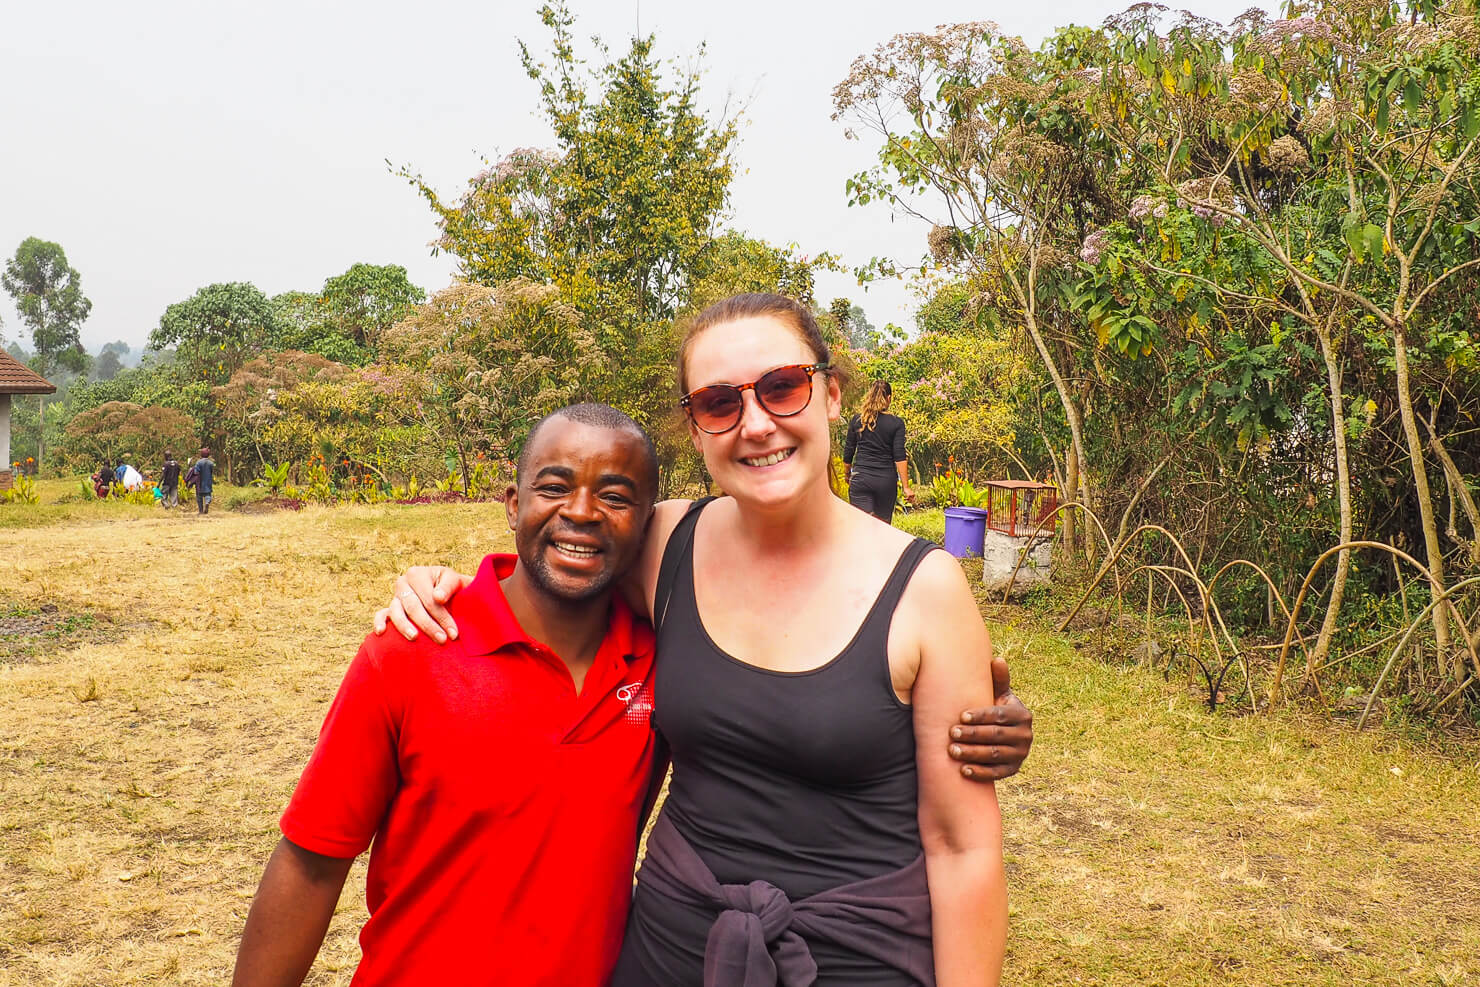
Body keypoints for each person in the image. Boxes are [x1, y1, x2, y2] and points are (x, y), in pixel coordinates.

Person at [384, 295, 1016, 985]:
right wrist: (444, 585)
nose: (755, 424)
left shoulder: (926, 588)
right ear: (695, 430)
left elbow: (963, 848)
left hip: (856, 956)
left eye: (782, 387)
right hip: (671, 944)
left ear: (831, 395)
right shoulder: (663, 545)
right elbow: (550, 559)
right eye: (720, 403)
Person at [233, 405, 667, 986]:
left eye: (615, 497)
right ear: (514, 504)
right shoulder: (410, 651)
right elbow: (311, 862)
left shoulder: (661, 662)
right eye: (554, 486)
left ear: (647, 523)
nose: (581, 512)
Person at [844, 379, 914, 522]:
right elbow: (899, 455)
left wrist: (847, 475)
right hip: (885, 481)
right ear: (888, 398)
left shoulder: (858, 420)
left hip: (861, 479)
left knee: (861, 526)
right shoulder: (896, 423)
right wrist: (906, 487)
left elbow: (849, 451)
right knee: (882, 528)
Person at [187, 447, 215, 514]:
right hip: (208, 481)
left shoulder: (198, 462)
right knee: (208, 494)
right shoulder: (211, 463)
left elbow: (196, 472)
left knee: (199, 497)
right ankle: (207, 502)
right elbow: (211, 472)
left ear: (201, 454)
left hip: (199, 482)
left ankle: (201, 511)